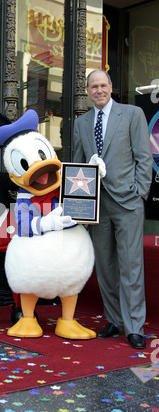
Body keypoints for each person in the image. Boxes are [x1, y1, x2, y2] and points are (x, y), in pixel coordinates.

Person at [73, 69, 153, 349]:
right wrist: (79, 206)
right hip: (98, 205)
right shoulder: (82, 123)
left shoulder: (132, 115)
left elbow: (144, 158)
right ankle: (114, 320)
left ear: (111, 87)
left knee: (131, 265)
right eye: (93, 86)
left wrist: (139, 193)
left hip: (128, 202)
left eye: (103, 85)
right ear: (87, 91)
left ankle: (134, 327)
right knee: (105, 266)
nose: (99, 90)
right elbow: (78, 165)